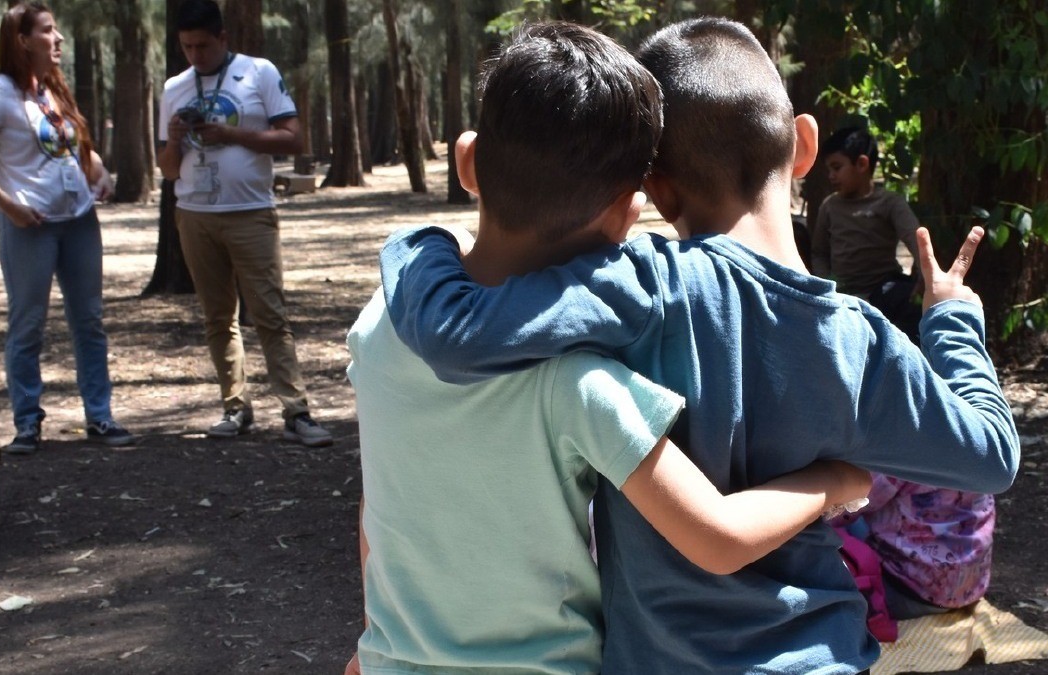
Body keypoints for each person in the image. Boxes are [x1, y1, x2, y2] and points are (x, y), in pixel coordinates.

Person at [378, 17, 1019, 675]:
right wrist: (952, 320)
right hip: (822, 657)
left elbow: (453, 332)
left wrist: (420, 242)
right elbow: (993, 455)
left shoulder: (640, 286)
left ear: (654, 188)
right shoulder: (862, 341)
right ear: (803, 144)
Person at [0, 2, 132, 454]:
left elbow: (75, 148)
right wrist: (8, 206)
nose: (59, 40)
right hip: (30, 226)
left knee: (89, 321)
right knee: (28, 324)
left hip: (79, 223)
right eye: (49, 31)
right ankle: (27, 423)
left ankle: (100, 417)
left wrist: (100, 173)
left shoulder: (52, 90)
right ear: (22, 40)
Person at [157, 0, 332, 448]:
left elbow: (293, 138)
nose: (195, 55)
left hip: (251, 212)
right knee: (218, 318)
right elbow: (168, 169)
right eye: (186, 47)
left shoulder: (259, 72)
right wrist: (176, 140)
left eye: (202, 46)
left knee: (270, 314)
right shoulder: (175, 87)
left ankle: (296, 411)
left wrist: (232, 134)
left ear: (223, 39)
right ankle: (234, 407)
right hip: (195, 215)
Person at [832, 473, 995, 620]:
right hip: (970, 586)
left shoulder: (900, 453)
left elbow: (839, 512)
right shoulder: (978, 446)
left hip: (910, 592)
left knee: (829, 523)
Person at [811, 126, 923, 340]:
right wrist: (825, 284)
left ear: (862, 163)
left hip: (883, 289)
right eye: (829, 170)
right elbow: (819, 252)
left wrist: (924, 273)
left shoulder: (889, 202)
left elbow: (914, 236)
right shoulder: (830, 206)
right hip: (841, 291)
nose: (831, 176)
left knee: (914, 306)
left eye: (837, 167)